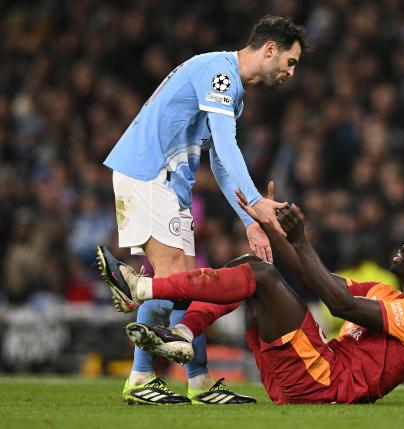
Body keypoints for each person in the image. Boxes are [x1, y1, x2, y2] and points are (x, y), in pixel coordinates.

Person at [99, 16, 311, 404]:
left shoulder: (233, 91)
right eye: (290, 61)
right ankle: (142, 380)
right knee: (171, 282)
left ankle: (198, 384)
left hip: (169, 185)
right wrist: (260, 203)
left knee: (186, 288)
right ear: (269, 50)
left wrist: (250, 219)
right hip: (148, 174)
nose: (290, 73)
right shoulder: (219, 73)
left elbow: (217, 162)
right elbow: (228, 148)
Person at [97, 186, 404, 404]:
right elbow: (314, 279)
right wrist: (273, 229)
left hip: (325, 381)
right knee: (248, 264)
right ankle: (183, 334)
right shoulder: (384, 292)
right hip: (309, 374)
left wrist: (301, 239)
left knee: (258, 274)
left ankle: (144, 288)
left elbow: (340, 305)